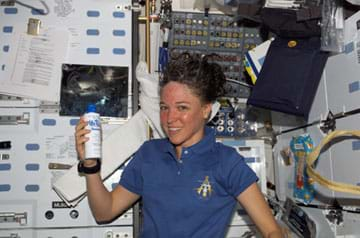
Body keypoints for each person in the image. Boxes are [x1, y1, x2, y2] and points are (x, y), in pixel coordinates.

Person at [75, 54, 284, 238]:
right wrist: (91, 165)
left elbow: (272, 230)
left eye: (182, 107)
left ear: (205, 110)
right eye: (164, 107)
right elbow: (105, 212)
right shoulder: (149, 153)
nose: (169, 118)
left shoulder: (226, 162)